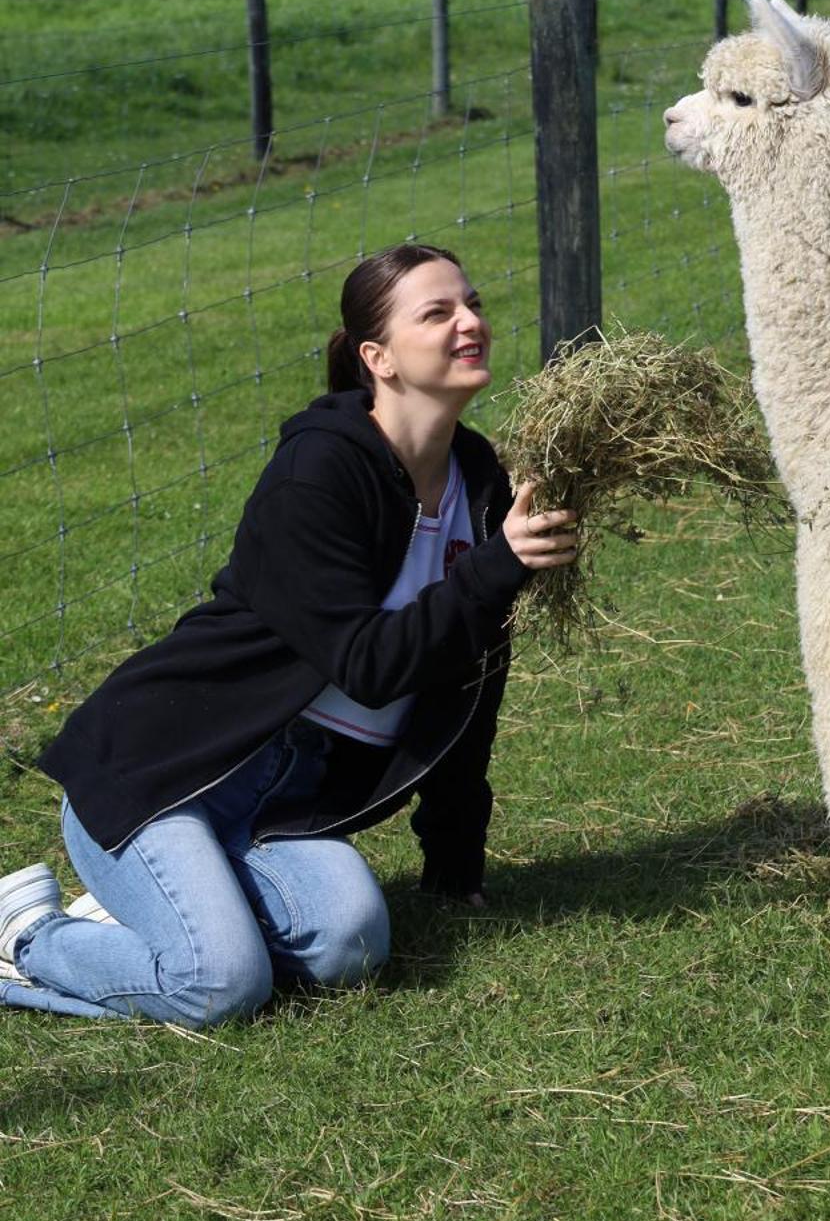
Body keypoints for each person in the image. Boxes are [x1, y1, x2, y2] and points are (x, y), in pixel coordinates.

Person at [0, 243, 577, 1024]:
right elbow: (368, 665)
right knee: (221, 987)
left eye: (472, 304)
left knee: (351, 951)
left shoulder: (482, 480)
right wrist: (495, 568)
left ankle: (171, 911)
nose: (469, 322)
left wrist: (454, 855)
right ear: (378, 357)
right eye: (437, 313)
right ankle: (29, 936)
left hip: (288, 799)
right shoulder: (318, 474)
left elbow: (471, 673)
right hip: (163, 768)